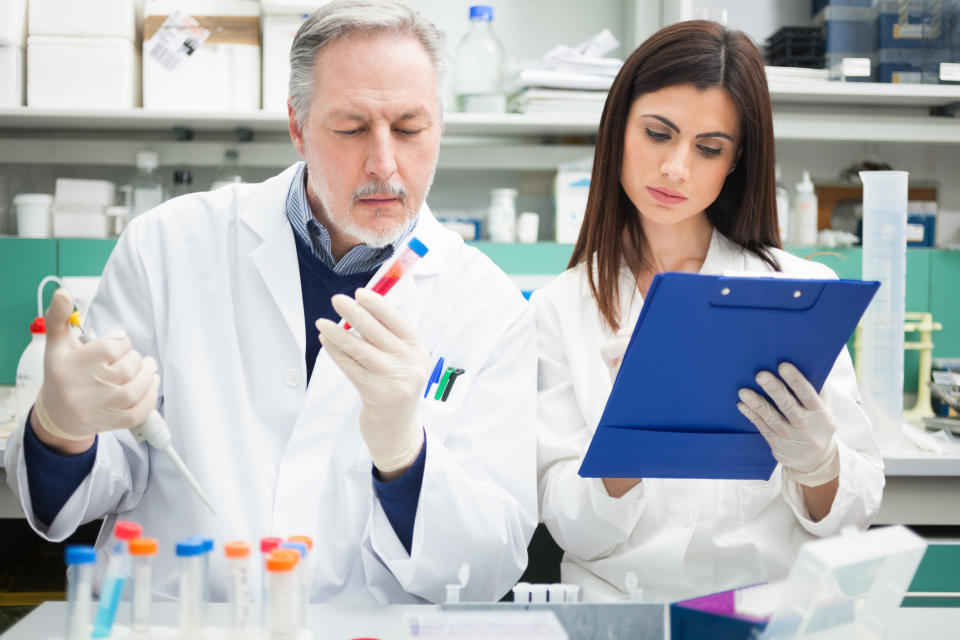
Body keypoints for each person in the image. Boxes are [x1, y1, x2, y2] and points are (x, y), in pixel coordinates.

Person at [5, 0, 537, 604]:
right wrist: (61, 428)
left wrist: (404, 455)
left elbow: (487, 568)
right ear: (297, 126)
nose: (385, 163)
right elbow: (71, 502)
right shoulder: (168, 248)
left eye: (410, 129)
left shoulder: (489, 307)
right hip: (180, 625)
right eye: (352, 128)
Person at [533, 20, 884, 603]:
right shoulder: (557, 312)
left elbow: (851, 518)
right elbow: (572, 530)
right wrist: (631, 441)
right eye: (657, 133)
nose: (676, 167)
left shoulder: (799, 292)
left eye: (708, 148)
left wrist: (820, 463)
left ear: (735, 161)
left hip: (768, 613)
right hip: (622, 616)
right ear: (618, 130)